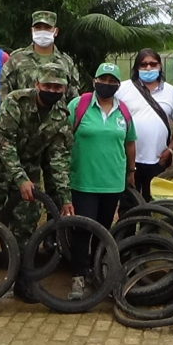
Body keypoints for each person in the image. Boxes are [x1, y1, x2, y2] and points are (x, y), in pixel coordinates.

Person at [0, 63, 73, 302]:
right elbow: (4, 142)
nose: (52, 90)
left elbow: (59, 158)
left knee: (25, 227)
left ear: (64, 89)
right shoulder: (16, 102)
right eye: (47, 85)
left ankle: (22, 283)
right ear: (37, 84)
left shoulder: (61, 115)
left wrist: (64, 198)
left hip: (30, 171)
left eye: (57, 87)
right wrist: (20, 178)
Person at [66, 63, 137, 301]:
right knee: (82, 230)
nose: (107, 84)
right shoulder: (79, 105)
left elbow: (129, 143)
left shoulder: (123, 111)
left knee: (103, 231)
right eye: (102, 79)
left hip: (112, 182)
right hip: (83, 180)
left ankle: (96, 273)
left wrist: (130, 171)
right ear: (94, 81)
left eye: (112, 81)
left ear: (118, 84)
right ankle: (78, 277)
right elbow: (62, 138)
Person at [0, 10, 80, 209]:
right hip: (18, 134)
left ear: (55, 31)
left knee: (52, 192)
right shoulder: (16, 59)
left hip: (52, 132)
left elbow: (73, 99)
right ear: (32, 30)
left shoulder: (66, 62)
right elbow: (4, 94)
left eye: (47, 28)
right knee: (4, 199)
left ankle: (54, 235)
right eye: (38, 28)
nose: (42, 32)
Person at [115, 49, 173, 200]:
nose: (149, 68)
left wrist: (170, 150)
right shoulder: (123, 89)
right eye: (143, 65)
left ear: (160, 66)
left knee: (154, 205)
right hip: (129, 161)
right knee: (128, 206)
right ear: (136, 68)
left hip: (157, 160)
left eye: (153, 64)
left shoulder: (171, 92)